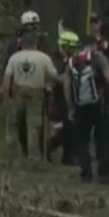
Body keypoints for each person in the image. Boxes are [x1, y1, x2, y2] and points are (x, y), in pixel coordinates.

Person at [63, 35, 109, 183]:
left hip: (80, 106)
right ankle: (103, 172)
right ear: (94, 45)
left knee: (82, 140)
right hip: (99, 104)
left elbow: (67, 86)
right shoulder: (99, 58)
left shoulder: (72, 61)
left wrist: (70, 106)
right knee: (104, 137)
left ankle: (85, 172)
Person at [2, 32, 58, 164]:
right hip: (36, 92)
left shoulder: (14, 57)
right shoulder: (43, 57)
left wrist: (6, 96)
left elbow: (7, 78)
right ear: (35, 44)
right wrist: (49, 84)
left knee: (15, 123)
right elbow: (54, 75)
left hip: (18, 92)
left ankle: (14, 154)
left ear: (21, 44)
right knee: (33, 124)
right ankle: (33, 156)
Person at [49, 29, 80, 164]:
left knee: (71, 127)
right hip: (58, 97)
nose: (74, 50)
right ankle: (49, 148)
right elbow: (55, 78)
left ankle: (69, 155)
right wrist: (68, 77)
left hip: (71, 96)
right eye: (72, 47)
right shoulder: (55, 60)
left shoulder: (71, 59)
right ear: (65, 45)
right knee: (65, 128)